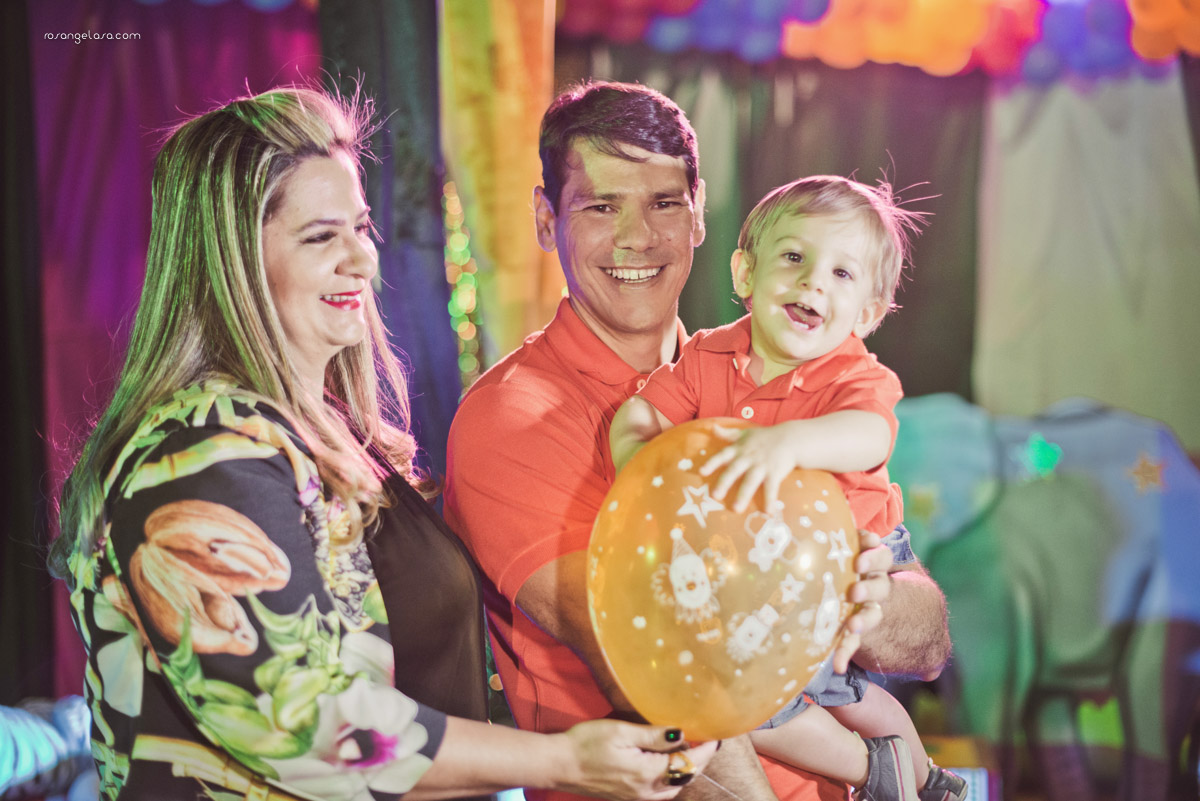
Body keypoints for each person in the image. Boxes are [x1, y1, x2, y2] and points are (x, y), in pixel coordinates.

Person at [46, 86, 718, 801]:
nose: (362, 260)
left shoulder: (323, 433)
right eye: (320, 237)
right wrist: (560, 761)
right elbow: (299, 722)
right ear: (231, 259)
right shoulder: (200, 450)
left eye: (361, 227)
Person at [444, 80, 951, 801]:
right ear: (545, 218)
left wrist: (870, 594)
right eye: (601, 206)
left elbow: (924, 642)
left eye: (663, 203)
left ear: (699, 213)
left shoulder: (747, 377)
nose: (637, 238)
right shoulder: (513, 417)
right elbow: (665, 673)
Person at [608, 175, 966, 801]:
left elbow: (870, 436)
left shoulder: (853, 374)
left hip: (860, 550)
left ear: (868, 313)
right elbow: (642, 413)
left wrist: (789, 444)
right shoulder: (708, 356)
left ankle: (904, 773)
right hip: (772, 564)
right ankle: (906, 774)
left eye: (842, 273)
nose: (813, 283)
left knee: (759, 700)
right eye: (794, 257)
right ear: (746, 273)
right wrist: (640, 464)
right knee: (832, 695)